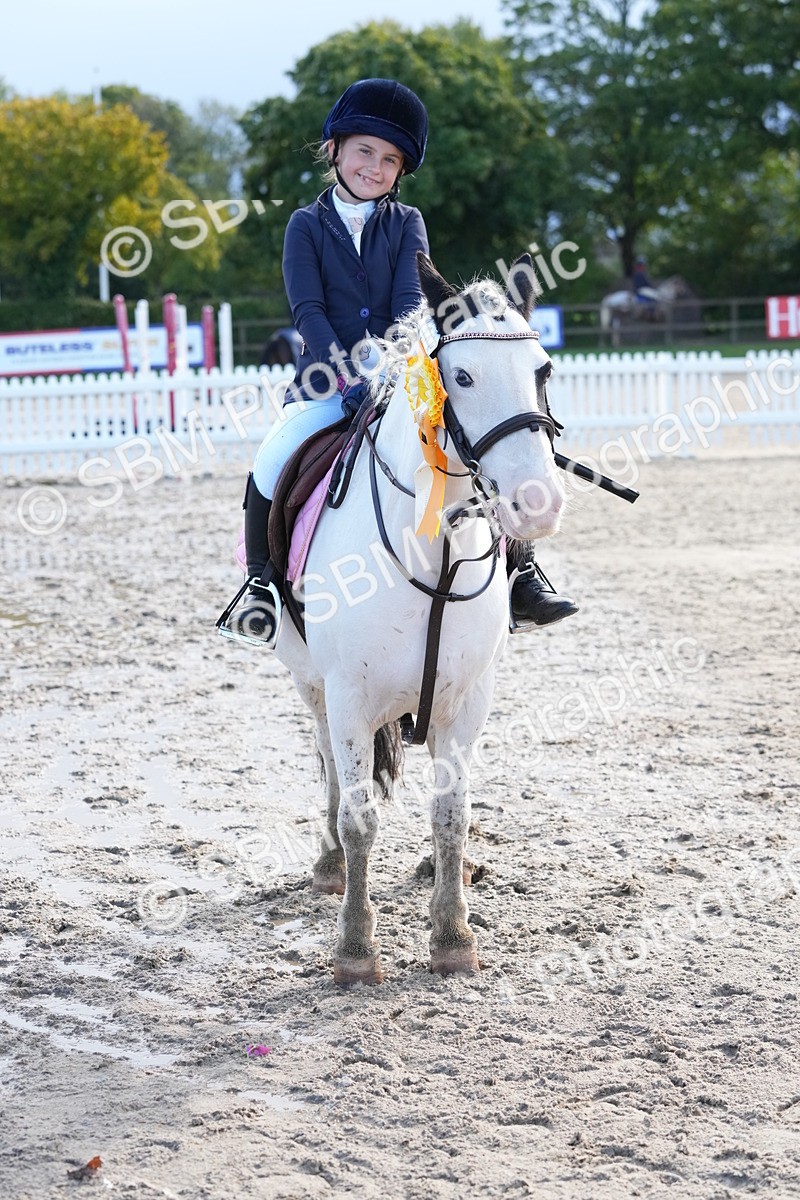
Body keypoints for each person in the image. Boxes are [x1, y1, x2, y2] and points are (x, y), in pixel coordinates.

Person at [223, 77, 577, 646]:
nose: (376, 166)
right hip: (323, 381)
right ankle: (261, 585)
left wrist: (388, 373)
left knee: (480, 442)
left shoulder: (406, 221)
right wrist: (345, 377)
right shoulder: (305, 226)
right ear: (335, 149)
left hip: (401, 379)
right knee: (273, 455)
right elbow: (308, 311)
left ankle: (521, 573)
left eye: (390, 159)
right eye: (365, 150)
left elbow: (411, 304)